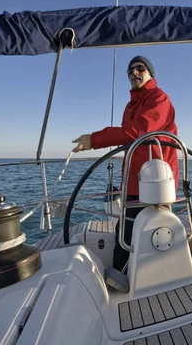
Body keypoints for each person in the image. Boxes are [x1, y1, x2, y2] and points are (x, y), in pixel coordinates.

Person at [72, 55, 179, 272]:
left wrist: (93, 140)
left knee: (141, 235)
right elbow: (129, 138)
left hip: (154, 183)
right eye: (130, 71)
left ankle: (137, 281)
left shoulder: (159, 98)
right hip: (133, 181)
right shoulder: (131, 105)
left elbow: (137, 132)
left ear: (150, 73)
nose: (134, 73)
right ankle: (123, 281)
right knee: (126, 235)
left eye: (140, 68)